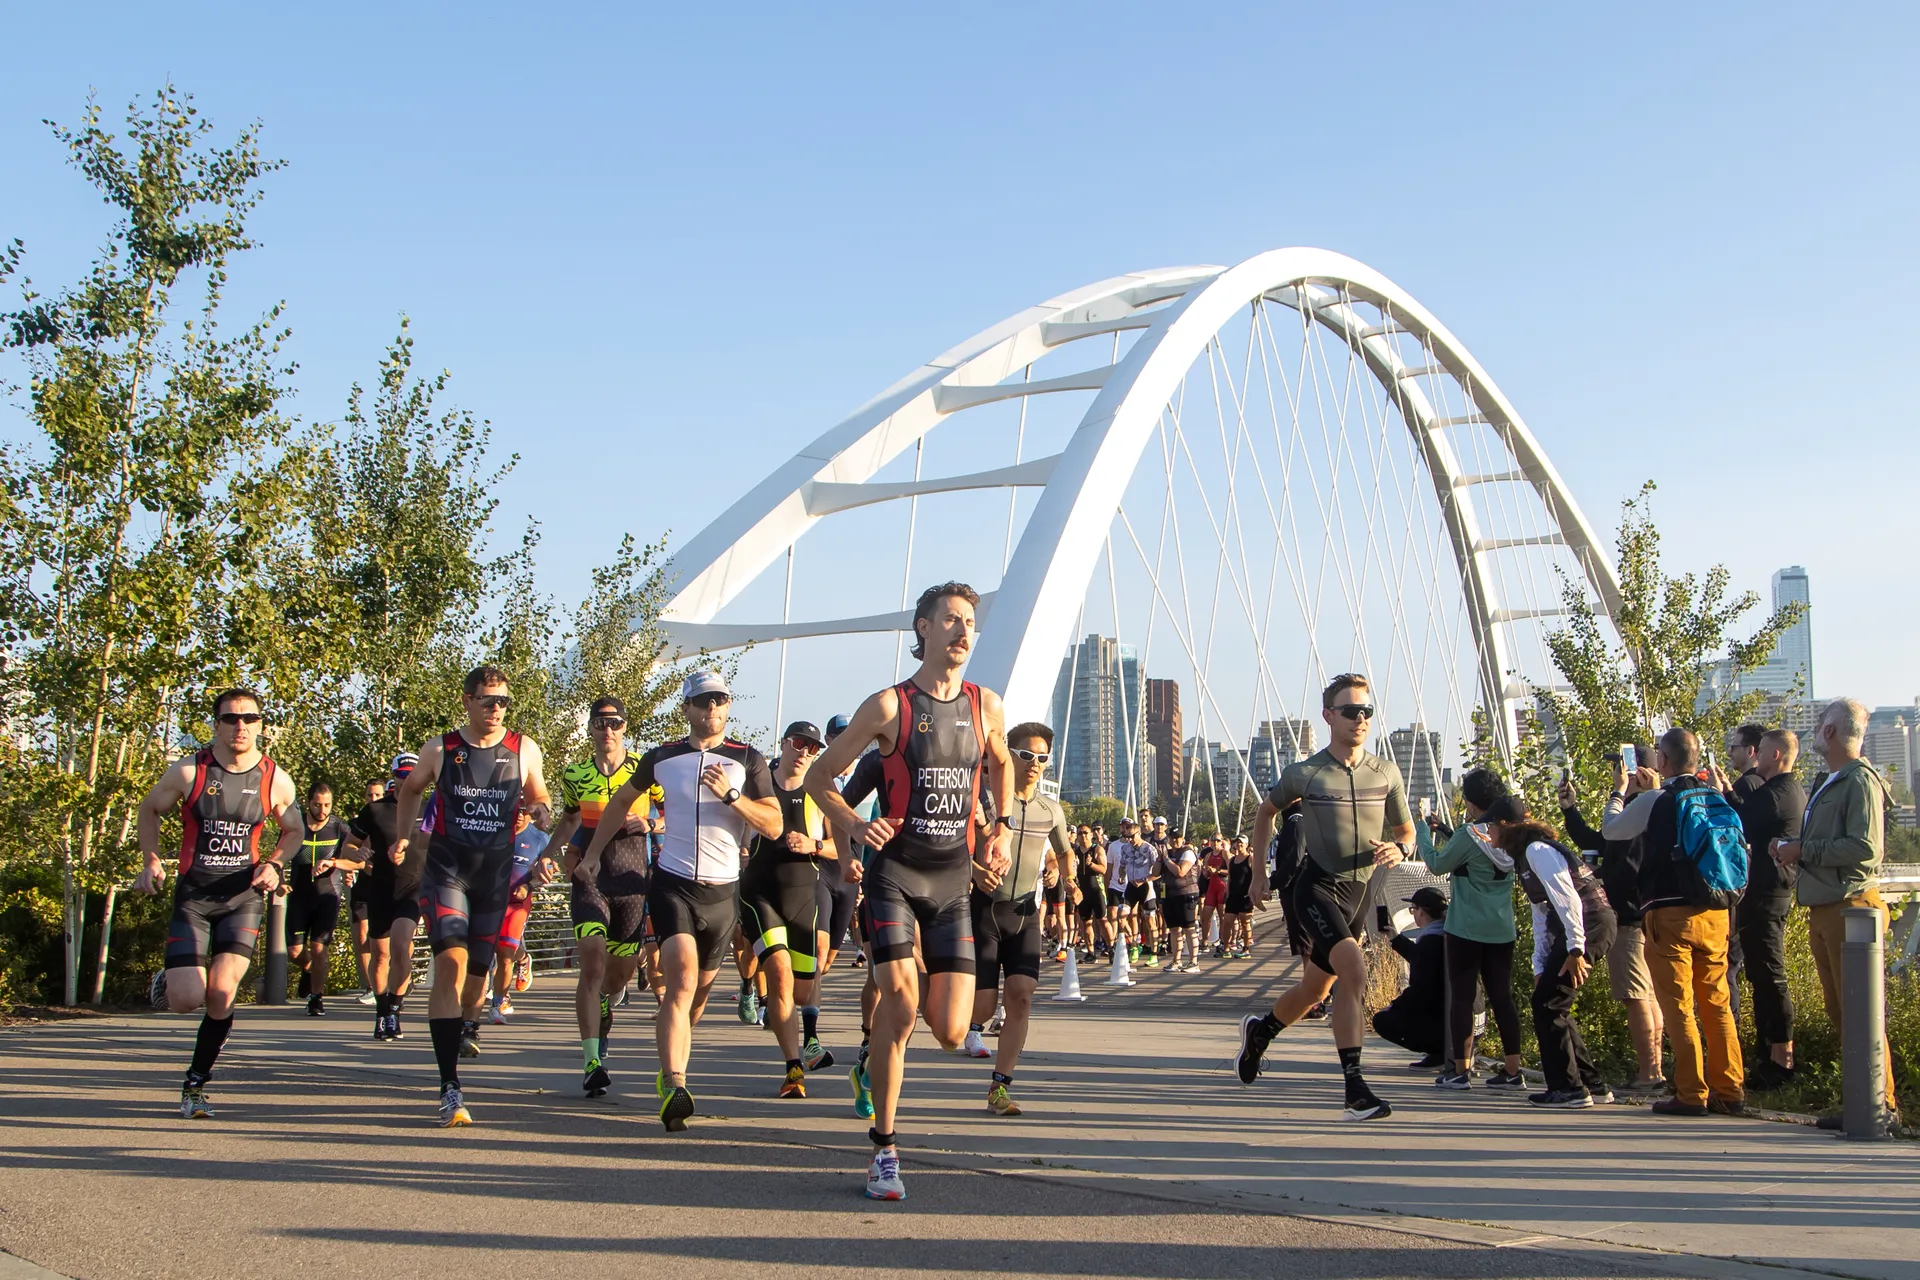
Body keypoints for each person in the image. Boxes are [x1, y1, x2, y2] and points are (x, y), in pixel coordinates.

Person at [807, 581, 1013, 1201]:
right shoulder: (889, 706)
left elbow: (1001, 763)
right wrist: (853, 823)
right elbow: (821, 778)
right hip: (894, 874)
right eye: (950, 620)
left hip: (952, 881)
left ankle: (875, 1058)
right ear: (923, 629)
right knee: (899, 1004)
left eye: (969, 622)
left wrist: (998, 831)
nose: (962, 631)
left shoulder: (988, 706)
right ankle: (885, 1150)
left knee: (953, 1031)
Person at [578, 670, 782, 1131]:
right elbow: (617, 805)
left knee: (696, 997)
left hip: (722, 891)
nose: (711, 710)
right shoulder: (661, 757)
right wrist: (591, 855)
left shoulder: (747, 759)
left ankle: (673, 1061)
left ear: (729, 707)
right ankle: (673, 1085)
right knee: (681, 981)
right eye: (702, 702)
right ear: (687, 709)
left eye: (719, 701)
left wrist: (732, 797)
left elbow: (772, 825)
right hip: (672, 885)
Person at [1235, 673, 1415, 1121]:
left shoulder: (1385, 772)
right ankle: (1354, 1089)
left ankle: (1261, 1032)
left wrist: (1401, 847)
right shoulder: (1306, 772)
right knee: (1354, 969)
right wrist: (1258, 873)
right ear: (1329, 716)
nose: (1360, 719)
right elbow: (1266, 811)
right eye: (1351, 711)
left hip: (1358, 891)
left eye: (1367, 712)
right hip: (1315, 887)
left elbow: (1406, 830)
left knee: (1316, 989)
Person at [389, 665, 554, 1127]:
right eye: (488, 700)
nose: (496, 709)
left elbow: (538, 794)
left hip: (495, 876)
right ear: (467, 701)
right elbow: (410, 790)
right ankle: (449, 1086)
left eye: (503, 701)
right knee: (451, 964)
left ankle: (466, 1025)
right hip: (448, 870)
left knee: (476, 980)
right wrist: (404, 836)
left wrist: (537, 810)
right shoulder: (441, 748)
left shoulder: (523, 748)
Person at [133, 688, 304, 1119]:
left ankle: (195, 1084)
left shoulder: (274, 778)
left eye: (249, 718)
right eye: (230, 719)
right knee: (187, 999)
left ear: (262, 724)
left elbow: (294, 830)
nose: (240, 726)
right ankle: (170, 981)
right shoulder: (190, 770)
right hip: (194, 896)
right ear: (217, 724)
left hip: (242, 898)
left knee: (222, 992)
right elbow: (149, 808)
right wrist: (151, 858)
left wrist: (276, 863)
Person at [1602, 727, 1744, 1117]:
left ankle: (1690, 1092)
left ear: (1663, 762)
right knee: (1716, 1003)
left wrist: (1619, 793)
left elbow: (1612, 830)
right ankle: (1729, 1089)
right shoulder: (1715, 796)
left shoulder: (1656, 799)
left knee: (1679, 1005)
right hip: (1716, 911)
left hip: (1669, 913)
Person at [1773, 698, 1901, 1128]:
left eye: (1819, 724)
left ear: (1829, 731)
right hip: (1828, 908)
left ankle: (1880, 1107)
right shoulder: (1832, 779)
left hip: (1851, 908)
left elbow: (1866, 849)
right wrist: (1793, 852)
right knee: (1843, 1012)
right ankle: (1860, 1103)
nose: (1814, 732)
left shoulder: (1859, 781)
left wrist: (1802, 850)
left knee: (1861, 1012)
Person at [551, 695, 663, 1098]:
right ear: (590, 729)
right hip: (590, 875)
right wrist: (548, 854)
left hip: (633, 880)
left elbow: (671, 814)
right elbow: (569, 820)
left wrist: (648, 821)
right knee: (592, 959)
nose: (608, 731)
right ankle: (591, 1061)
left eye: (615, 723)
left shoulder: (645, 770)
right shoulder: (575, 774)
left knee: (617, 976)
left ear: (625, 727)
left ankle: (606, 1008)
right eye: (600, 723)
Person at [964, 721, 1071, 1115]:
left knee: (1022, 997)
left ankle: (1000, 1087)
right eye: (1026, 755)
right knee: (982, 1009)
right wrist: (976, 871)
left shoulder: (1050, 809)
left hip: (1025, 912)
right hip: (984, 910)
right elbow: (953, 849)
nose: (1034, 764)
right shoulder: (984, 803)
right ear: (1008, 756)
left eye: (1042, 757)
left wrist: (1064, 874)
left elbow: (1063, 852)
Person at [1488, 799, 1617, 1108]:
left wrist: (1575, 949)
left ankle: (1569, 1089)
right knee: (1553, 1001)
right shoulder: (1525, 856)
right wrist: (1540, 964)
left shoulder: (1538, 851)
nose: (1488, 833)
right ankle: (1590, 1083)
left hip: (1590, 923)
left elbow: (1569, 899)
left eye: (1490, 827)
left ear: (1505, 826)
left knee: (1548, 1003)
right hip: (1582, 925)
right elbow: (1541, 914)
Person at [738, 720, 838, 1098]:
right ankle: (793, 1068)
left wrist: (813, 845)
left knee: (801, 991)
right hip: (760, 893)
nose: (804, 753)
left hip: (803, 898)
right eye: (799, 744)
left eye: (813, 749)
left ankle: (800, 1037)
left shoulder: (819, 792)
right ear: (783, 744)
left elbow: (840, 848)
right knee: (778, 974)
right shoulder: (758, 787)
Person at [1561, 747, 1666, 1093]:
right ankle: (1653, 1070)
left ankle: (1650, 1073)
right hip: (1644, 915)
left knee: (1636, 994)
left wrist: (1602, 877)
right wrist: (1570, 811)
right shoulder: (1649, 810)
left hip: (1631, 918)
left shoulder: (1642, 811)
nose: (1615, 773)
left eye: (1620, 767)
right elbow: (1600, 841)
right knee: (1648, 994)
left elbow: (1626, 864)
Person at [1420, 769, 1525, 1089]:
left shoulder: (1469, 834)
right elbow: (1481, 855)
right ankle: (1513, 1070)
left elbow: (1438, 864)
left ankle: (1460, 1070)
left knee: (1462, 998)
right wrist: (1447, 832)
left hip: (1465, 927)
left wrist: (1425, 832)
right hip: (1501, 927)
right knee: (1502, 998)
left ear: (1469, 801)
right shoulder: (1512, 833)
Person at [1714, 728, 1805, 1089]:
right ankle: (1766, 1056)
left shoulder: (1779, 792)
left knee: (1770, 977)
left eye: (1762, 751)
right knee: (1760, 976)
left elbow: (1742, 820)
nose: (1756, 757)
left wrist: (1724, 792)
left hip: (1769, 895)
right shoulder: (1779, 791)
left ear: (1776, 755)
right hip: (1763, 894)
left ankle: (1780, 1063)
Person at [346, 755, 421, 1041]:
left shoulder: (429, 808)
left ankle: (396, 1010)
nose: (406, 779)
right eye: (401, 774)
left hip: (413, 887)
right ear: (394, 776)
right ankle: (382, 1012)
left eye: (412, 774)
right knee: (380, 956)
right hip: (379, 888)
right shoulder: (375, 810)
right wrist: (357, 854)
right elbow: (348, 846)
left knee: (402, 945)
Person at [286, 781, 362, 1017]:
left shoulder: (339, 827)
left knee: (320, 949)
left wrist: (335, 863)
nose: (322, 810)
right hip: (298, 896)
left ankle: (316, 997)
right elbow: (280, 853)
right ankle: (309, 971)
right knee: (295, 953)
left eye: (327, 805)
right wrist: (279, 878)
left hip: (327, 896)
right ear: (308, 803)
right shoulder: (295, 825)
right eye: (317, 805)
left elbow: (358, 860)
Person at [1370, 886, 1448, 1064]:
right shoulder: (1445, 933)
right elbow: (1420, 959)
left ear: (1422, 912)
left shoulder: (1430, 941)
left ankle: (1438, 1051)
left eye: (1413, 909)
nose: (1412, 914)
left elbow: (1420, 989)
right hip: (1461, 1022)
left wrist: (1393, 1005)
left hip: (1439, 1024)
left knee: (1382, 1020)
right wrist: (1395, 938)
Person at [489, 810, 551, 1024]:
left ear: (531, 815)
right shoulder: (494, 831)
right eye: (515, 810)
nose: (518, 816)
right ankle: (523, 958)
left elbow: (548, 872)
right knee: (486, 953)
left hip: (517, 904)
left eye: (524, 812)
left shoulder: (540, 838)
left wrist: (528, 885)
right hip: (489, 902)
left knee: (505, 954)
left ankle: (498, 1003)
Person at [346, 777, 389, 1003]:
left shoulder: (395, 819)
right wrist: (349, 863)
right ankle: (370, 987)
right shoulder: (358, 822)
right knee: (362, 937)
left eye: (377, 795)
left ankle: (395, 977)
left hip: (388, 885)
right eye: (369, 795)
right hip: (362, 886)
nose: (373, 799)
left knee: (387, 943)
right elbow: (346, 850)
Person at [1113, 819, 1160, 968]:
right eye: (1127, 837)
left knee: (1150, 920)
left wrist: (1145, 879)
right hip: (1131, 887)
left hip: (1146, 887)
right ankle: (1134, 944)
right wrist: (1121, 875)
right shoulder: (1125, 848)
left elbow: (1158, 872)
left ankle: (1154, 954)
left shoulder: (1149, 849)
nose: (1130, 840)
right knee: (1120, 916)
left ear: (1139, 833)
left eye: (1132, 836)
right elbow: (1122, 866)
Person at [1157, 831, 1201, 971]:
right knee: (1174, 929)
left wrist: (1166, 859)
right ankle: (1176, 960)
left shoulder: (1187, 852)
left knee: (1189, 927)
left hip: (1186, 894)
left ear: (1182, 838)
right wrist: (1160, 859)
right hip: (1170, 894)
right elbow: (1155, 872)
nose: (1175, 841)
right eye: (1172, 838)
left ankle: (1194, 962)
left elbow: (1180, 872)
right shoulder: (1167, 854)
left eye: (1178, 838)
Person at [1075, 826, 1110, 958]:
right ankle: (1090, 952)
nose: (1083, 836)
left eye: (1085, 833)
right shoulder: (1075, 852)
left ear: (1091, 835)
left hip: (1096, 889)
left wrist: (1090, 864)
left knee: (1102, 919)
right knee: (1086, 921)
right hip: (1083, 890)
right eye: (1080, 833)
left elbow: (1103, 869)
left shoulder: (1097, 849)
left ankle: (1111, 946)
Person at [1223, 837, 1257, 958]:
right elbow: (1230, 879)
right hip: (1233, 896)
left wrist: (1253, 893)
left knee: (1245, 922)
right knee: (1227, 921)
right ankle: (1226, 948)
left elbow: (1255, 876)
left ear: (1247, 844)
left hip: (1245, 896)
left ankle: (1246, 949)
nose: (1239, 844)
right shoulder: (1232, 861)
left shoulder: (1250, 858)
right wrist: (1227, 894)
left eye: (1241, 842)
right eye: (1237, 842)